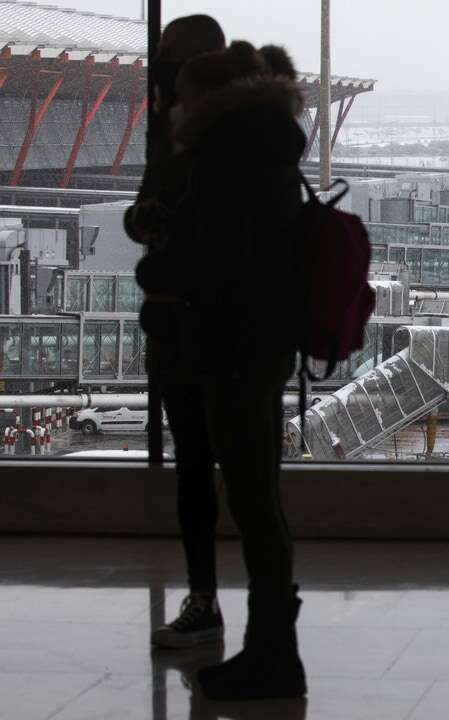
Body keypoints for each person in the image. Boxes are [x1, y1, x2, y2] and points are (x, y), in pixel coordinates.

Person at [164, 40, 308, 700]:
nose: (173, 105)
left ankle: (272, 656)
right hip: (266, 343)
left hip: (230, 346)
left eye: (183, 94)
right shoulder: (271, 150)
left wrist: (153, 267)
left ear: (206, 99)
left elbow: (217, 262)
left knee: (250, 501)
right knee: (261, 499)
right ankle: (274, 646)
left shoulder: (224, 159)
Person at [126, 14, 226, 651]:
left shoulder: (238, 138)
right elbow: (142, 213)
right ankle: (204, 596)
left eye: (169, 58)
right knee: (194, 469)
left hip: (225, 327)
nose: (158, 70)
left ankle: (263, 628)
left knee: (233, 472)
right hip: (175, 323)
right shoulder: (167, 133)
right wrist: (147, 220)